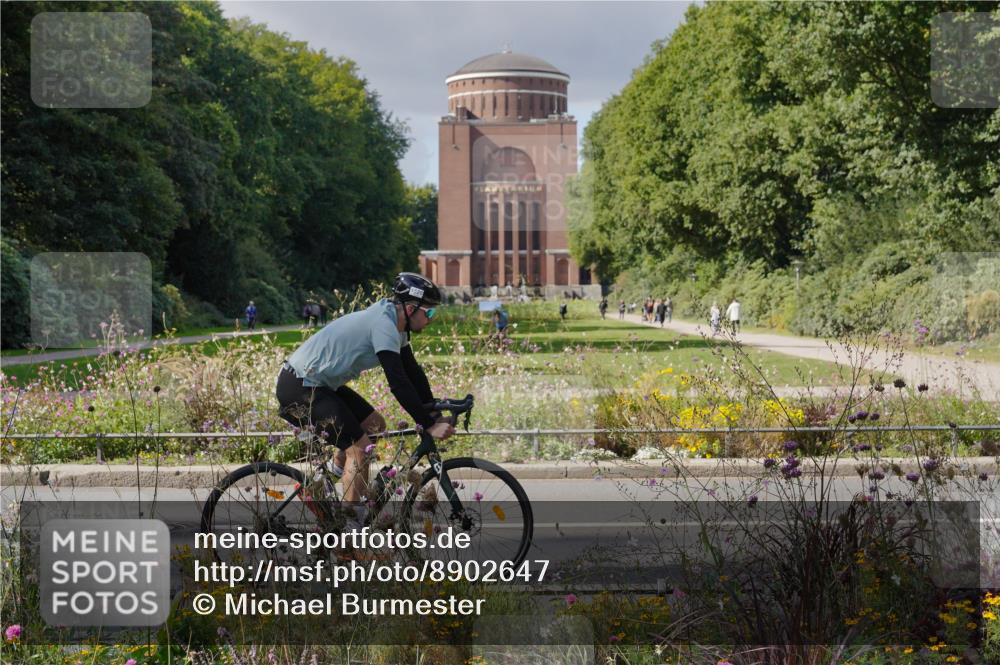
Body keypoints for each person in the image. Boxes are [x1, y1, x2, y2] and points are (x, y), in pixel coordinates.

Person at [276, 273, 455, 509]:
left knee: (374, 426)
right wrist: (428, 424)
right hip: (299, 386)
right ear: (411, 309)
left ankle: (320, 484)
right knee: (359, 450)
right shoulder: (385, 326)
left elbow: (413, 373)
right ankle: (349, 534)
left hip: (318, 384)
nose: (431, 318)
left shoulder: (396, 324)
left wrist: (433, 411)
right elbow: (398, 383)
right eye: (429, 312)